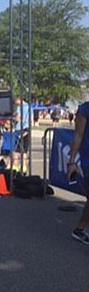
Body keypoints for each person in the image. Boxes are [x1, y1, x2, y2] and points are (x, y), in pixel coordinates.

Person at [67, 100, 89, 245]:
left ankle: (80, 229)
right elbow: (78, 135)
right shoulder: (85, 109)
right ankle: (80, 229)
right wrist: (72, 161)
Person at [13, 96, 31, 173]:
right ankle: (24, 167)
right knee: (24, 150)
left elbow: (18, 118)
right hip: (27, 128)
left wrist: (13, 119)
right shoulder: (29, 107)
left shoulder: (20, 108)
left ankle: (15, 168)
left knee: (16, 151)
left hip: (19, 129)